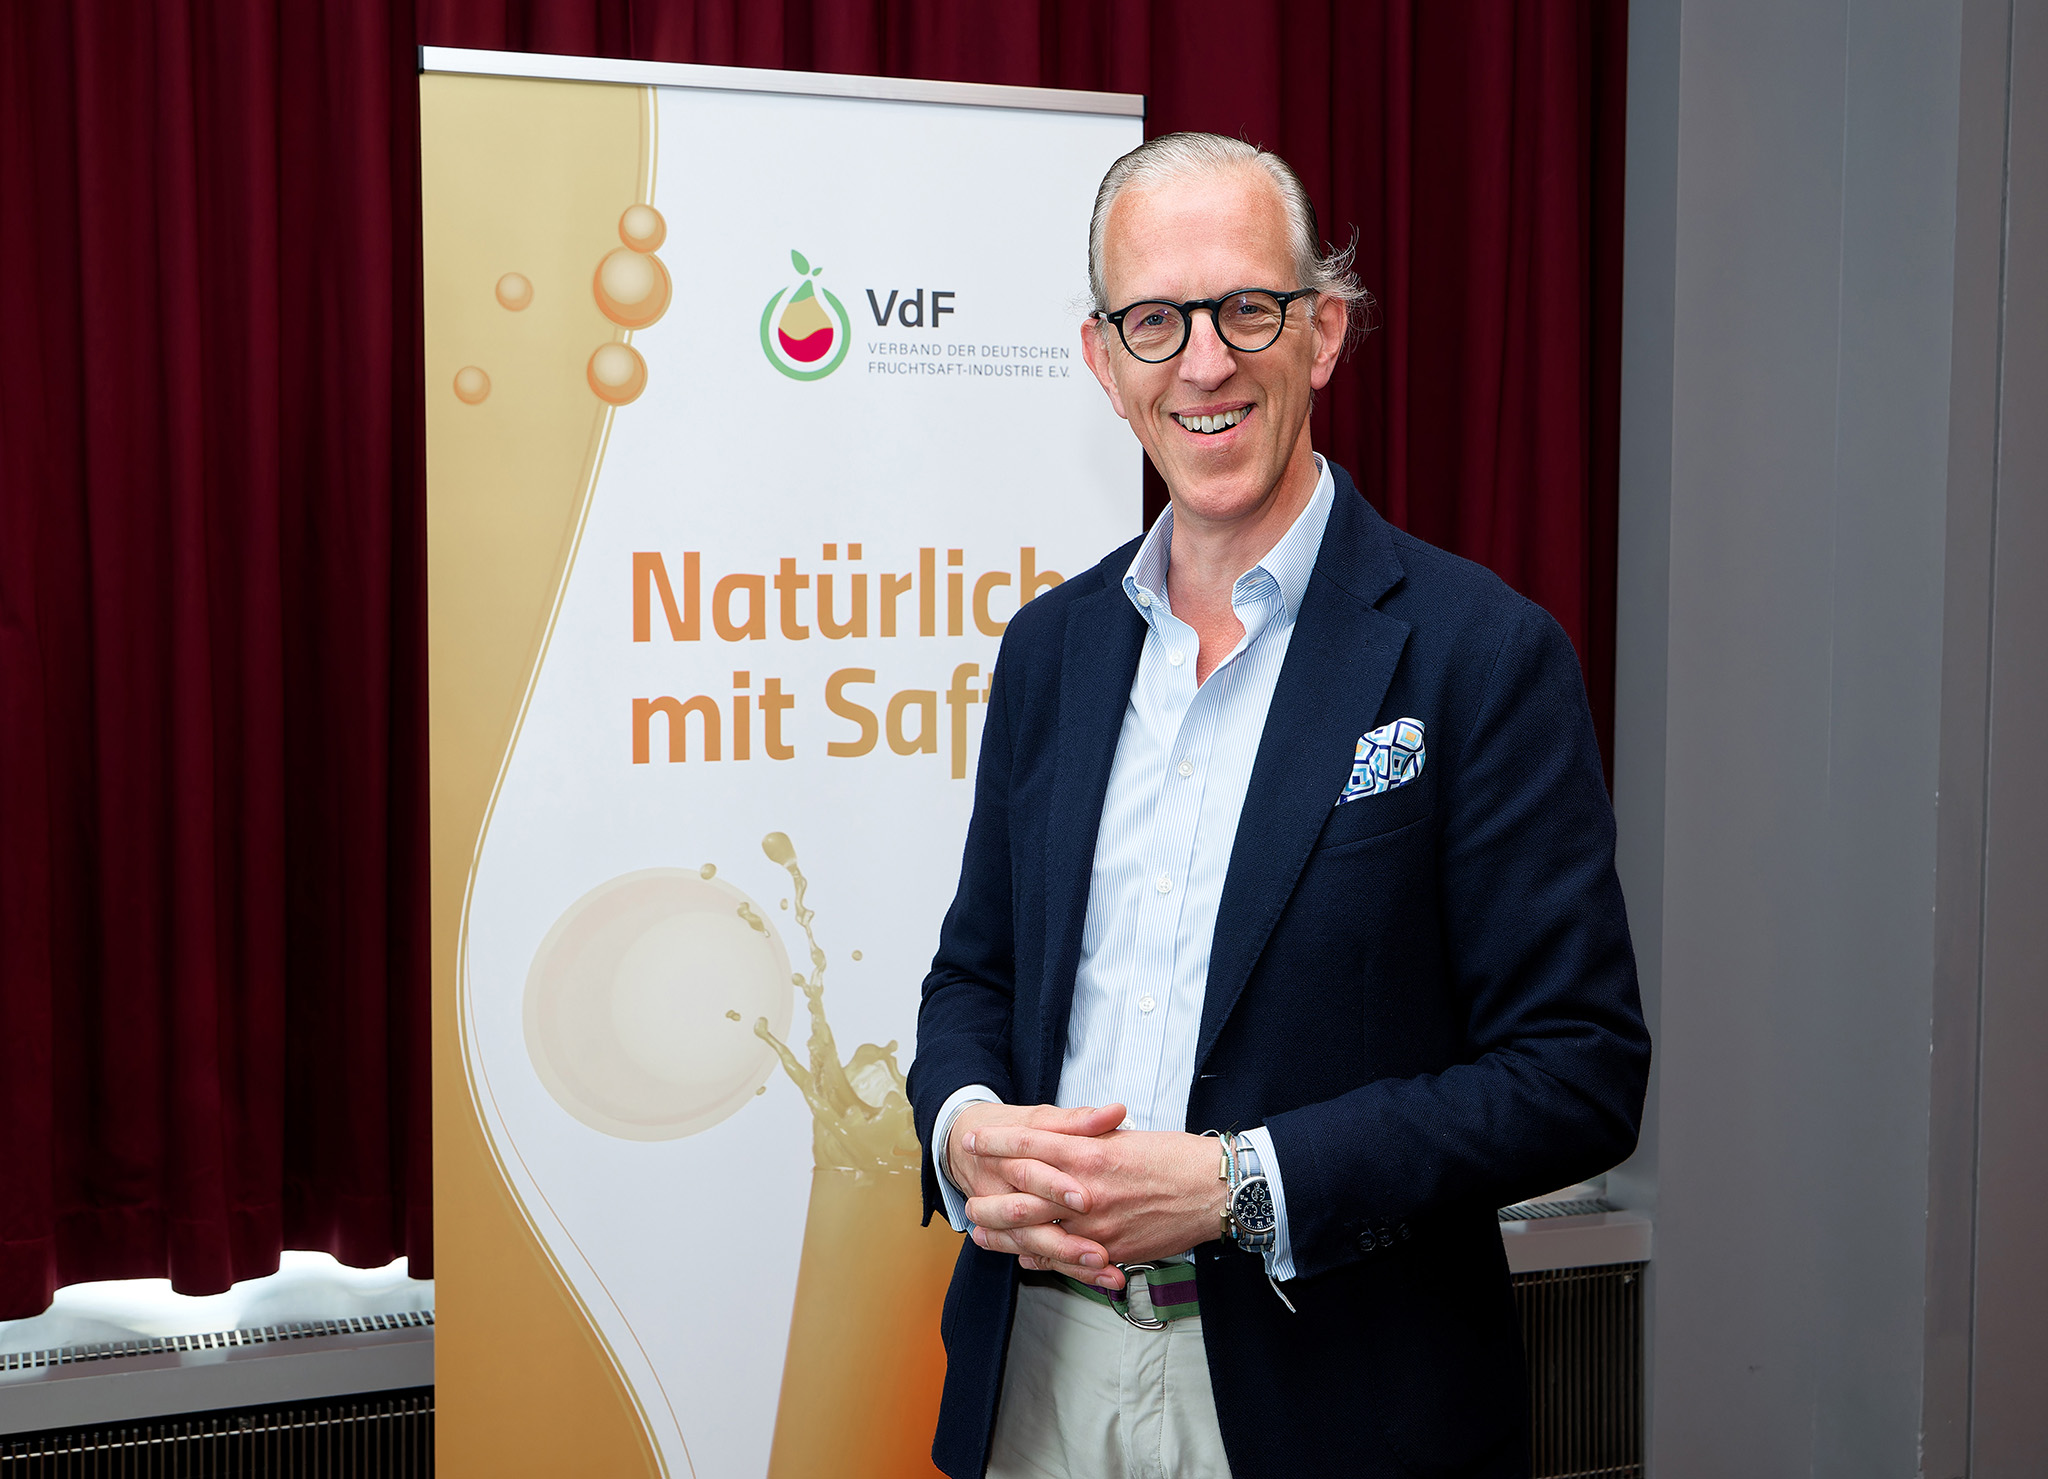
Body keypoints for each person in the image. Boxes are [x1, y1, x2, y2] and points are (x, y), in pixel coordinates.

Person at [906, 132, 1650, 1479]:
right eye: (1155, 321)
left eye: (1247, 308)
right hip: (1038, 1378)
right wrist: (965, 1132)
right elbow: (977, 973)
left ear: (1324, 334)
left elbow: (1576, 1073)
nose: (1204, 362)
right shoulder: (1051, 650)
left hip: (1333, 1401)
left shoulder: (1479, 654)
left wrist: (1241, 1187)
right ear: (1104, 363)